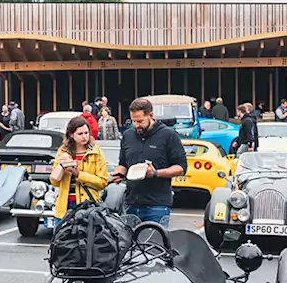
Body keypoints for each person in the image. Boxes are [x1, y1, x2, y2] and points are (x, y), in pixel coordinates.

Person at [112, 97, 187, 227]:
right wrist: (118, 173)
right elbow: (123, 164)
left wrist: (156, 173)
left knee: (154, 245)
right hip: (131, 203)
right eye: (133, 121)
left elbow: (181, 168)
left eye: (140, 121)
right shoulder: (128, 136)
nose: (136, 125)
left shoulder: (168, 135)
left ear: (151, 115)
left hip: (157, 205)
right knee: (128, 245)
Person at [49, 116, 109, 219]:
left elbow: (102, 182)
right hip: (64, 206)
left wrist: (78, 174)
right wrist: (61, 166)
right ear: (71, 135)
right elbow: (55, 182)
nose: (84, 137)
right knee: (61, 234)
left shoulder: (95, 152)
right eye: (80, 134)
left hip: (87, 207)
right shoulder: (63, 151)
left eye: (86, 133)